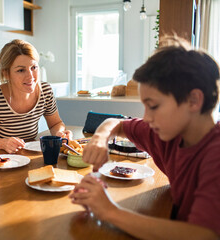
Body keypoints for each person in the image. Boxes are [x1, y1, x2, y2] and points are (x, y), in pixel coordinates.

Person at [70, 36, 220, 239]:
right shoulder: (170, 133)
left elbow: (203, 234)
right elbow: (118, 123)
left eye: (154, 106)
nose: (147, 118)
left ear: (193, 100)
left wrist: (109, 211)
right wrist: (100, 137)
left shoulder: (215, 153)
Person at [0, 39, 72, 153]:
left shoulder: (45, 91)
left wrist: (59, 133)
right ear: (6, 73)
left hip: (29, 155)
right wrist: (2, 143)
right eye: (21, 70)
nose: (30, 76)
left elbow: (55, 124)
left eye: (34, 67)